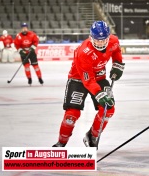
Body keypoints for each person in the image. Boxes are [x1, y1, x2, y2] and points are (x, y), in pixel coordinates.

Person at [52, 20, 125, 148]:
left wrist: (117, 64)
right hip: (78, 79)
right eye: (97, 40)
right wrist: (99, 94)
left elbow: (116, 51)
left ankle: (92, 136)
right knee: (71, 114)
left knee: (108, 109)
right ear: (91, 37)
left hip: (99, 78)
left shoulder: (113, 41)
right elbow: (88, 81)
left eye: (103, 40)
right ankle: (61, 143)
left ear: (108, 37)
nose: (101, 43)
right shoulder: (83, 52)